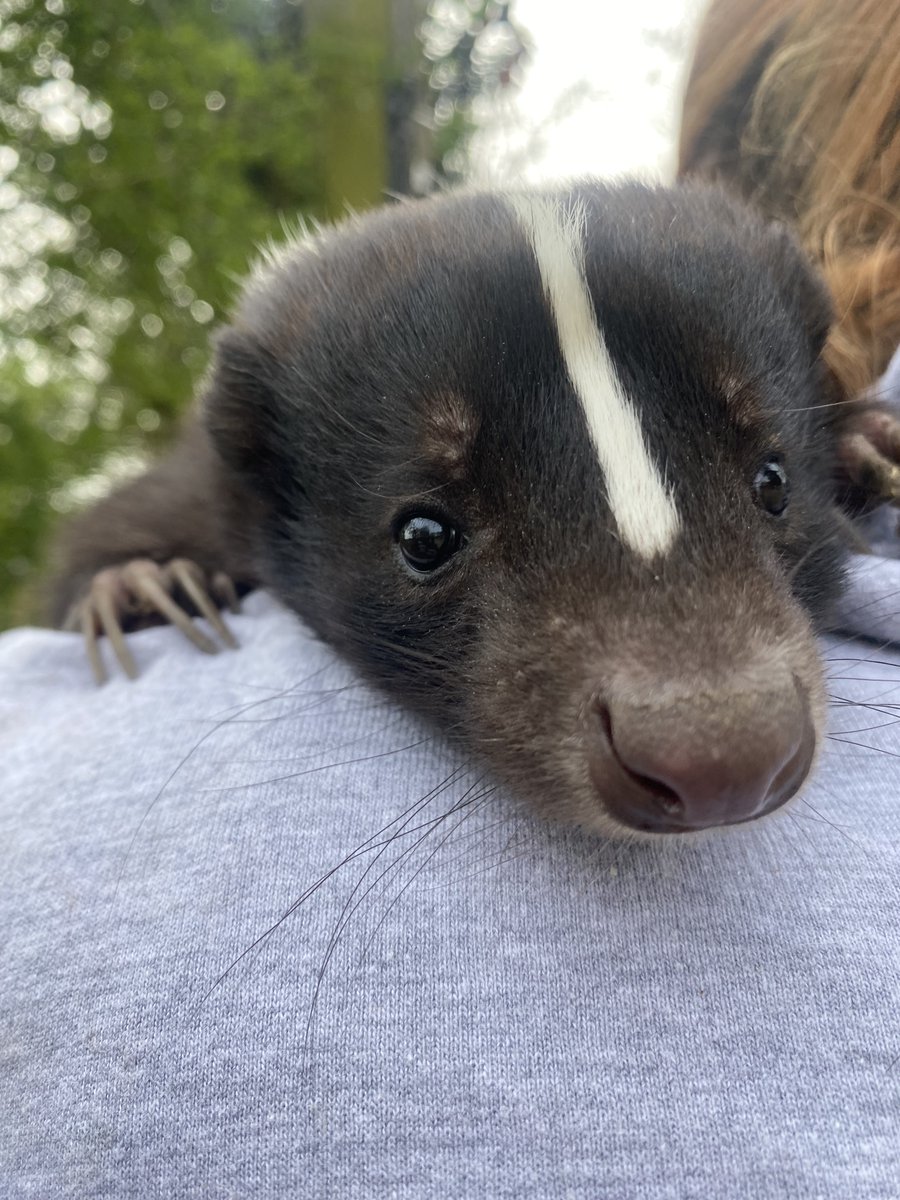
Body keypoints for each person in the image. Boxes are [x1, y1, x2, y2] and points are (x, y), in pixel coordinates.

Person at [1, 4, 899, 1197]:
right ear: (269, 474)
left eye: (772, 475)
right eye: (429, 537)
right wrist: (107, 584)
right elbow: (112, 550)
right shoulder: (231, 478)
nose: (712, 701)